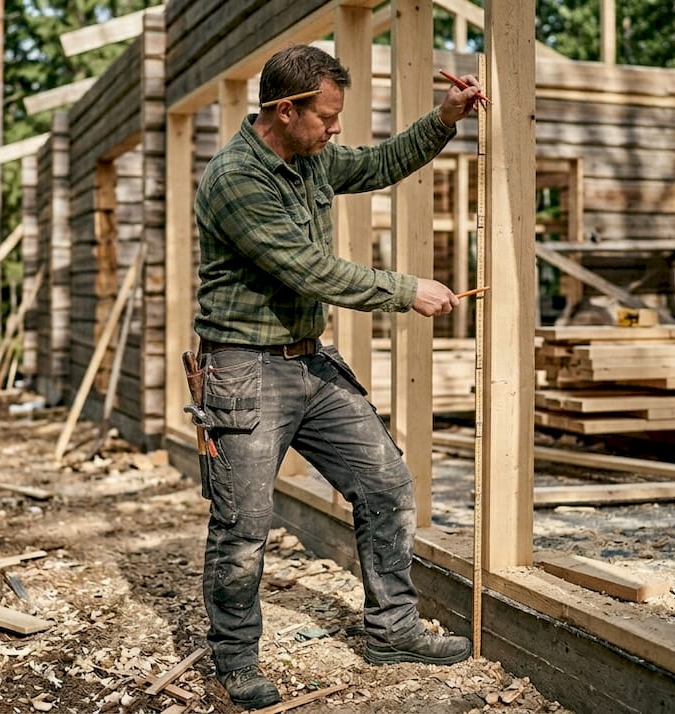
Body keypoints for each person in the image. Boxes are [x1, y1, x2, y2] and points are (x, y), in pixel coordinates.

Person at [191, 44, 485, 710]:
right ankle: (235, 660)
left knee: (385, 482)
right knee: (243, 523)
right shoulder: (237, 177)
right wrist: (404, 288)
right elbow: (308, 270)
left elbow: (379, 161)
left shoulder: (312, 156)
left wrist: (443, 118)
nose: (335, 130)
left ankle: (392, 627)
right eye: (325, 116)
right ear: (285, 109)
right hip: (241, 365)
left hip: (305, 357)